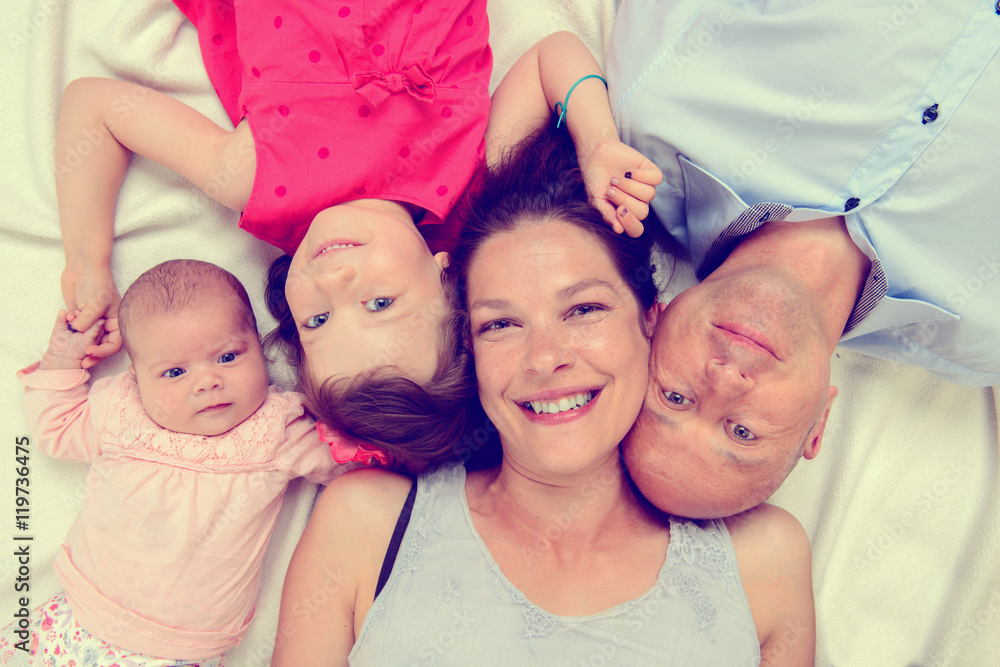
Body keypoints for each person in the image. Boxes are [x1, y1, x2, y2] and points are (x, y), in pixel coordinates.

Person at [270, 91, 816, 665]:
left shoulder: (763, 561)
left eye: (584, 310)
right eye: (501, 324)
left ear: (649, 321)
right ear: (468, 349)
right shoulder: (366, 525)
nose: (545, 358)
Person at [606, 0, 1000, 519]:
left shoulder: (658, 104)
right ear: (819, 426)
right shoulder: (985, 330)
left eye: (675, 397)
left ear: (650, 324)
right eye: (742, 431)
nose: (725, 381)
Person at [1, 260, 366, 665]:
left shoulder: (278, 429)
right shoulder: (123, 409)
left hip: (179, 650)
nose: (207, 381)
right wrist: (61, 357)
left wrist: (356, 411)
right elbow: (56, 427)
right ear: (137, 378)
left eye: (228, 356)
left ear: (260, 350)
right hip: (76, 615)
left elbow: (354, 468)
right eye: (175, 372)